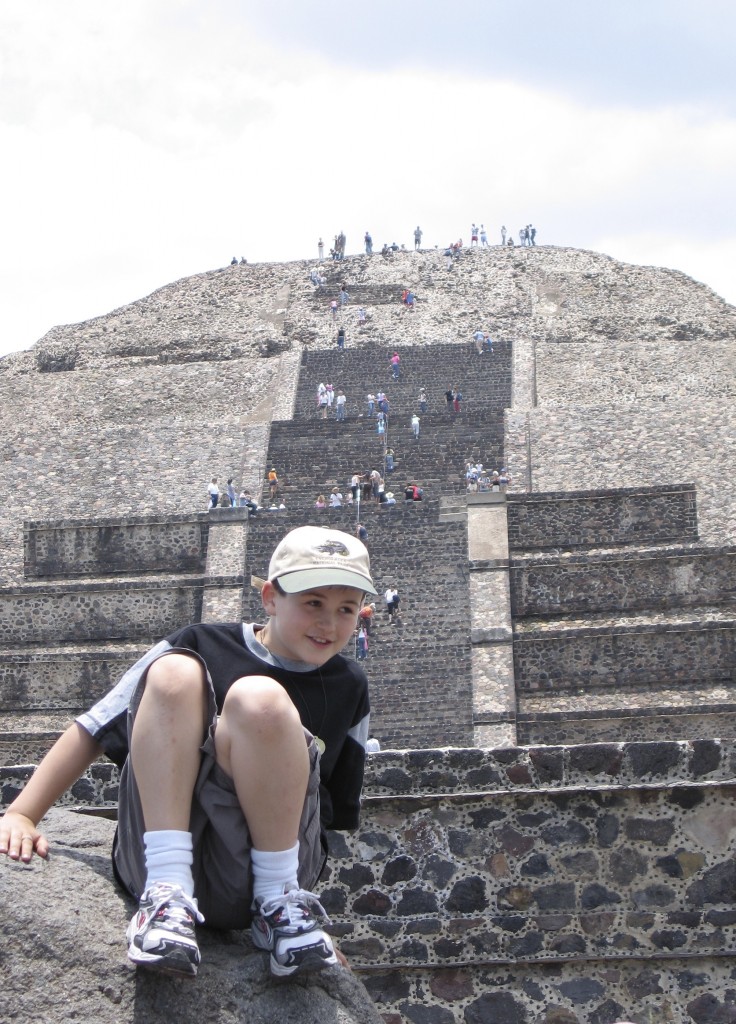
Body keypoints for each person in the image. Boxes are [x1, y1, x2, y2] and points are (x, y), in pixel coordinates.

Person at [0, 525, 378, 980]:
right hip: (156, 858)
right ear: (270, 597)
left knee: (261, 699)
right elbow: (96, 725)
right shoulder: (200, 642)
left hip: (253, 879)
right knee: (174, 671)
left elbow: (325, 815)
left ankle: (282, 910)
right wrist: (22, 814)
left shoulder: (350, 686)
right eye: (313, 603)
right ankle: (165, 896)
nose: (329, 623)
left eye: (346, 610)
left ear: (364, 614)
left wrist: (307, 908)